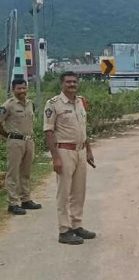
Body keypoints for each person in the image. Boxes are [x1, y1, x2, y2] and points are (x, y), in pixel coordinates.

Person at [44, 72, 96, 245]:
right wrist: (55, 158)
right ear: (62, 84)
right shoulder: (54, 104)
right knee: (64, 193)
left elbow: (83, 129)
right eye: (68, 82)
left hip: (80, 151)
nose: (72, 84)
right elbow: (49, 132)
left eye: (74, 81)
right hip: (64, 152)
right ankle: (64, 230)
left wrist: (88, 150)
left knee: (79, 192)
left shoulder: (80, 102)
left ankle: (76, 225)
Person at [0, 79, 41, 215]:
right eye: (19, 89)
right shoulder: (8, 105)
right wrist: (6, 135)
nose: (22, 91)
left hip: (29, 141)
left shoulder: (30, 104)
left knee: (26, 171)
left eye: (24, 88)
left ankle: (26, 199)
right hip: (15, 142)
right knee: (13, 173)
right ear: (13, 90)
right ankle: (13, 203)